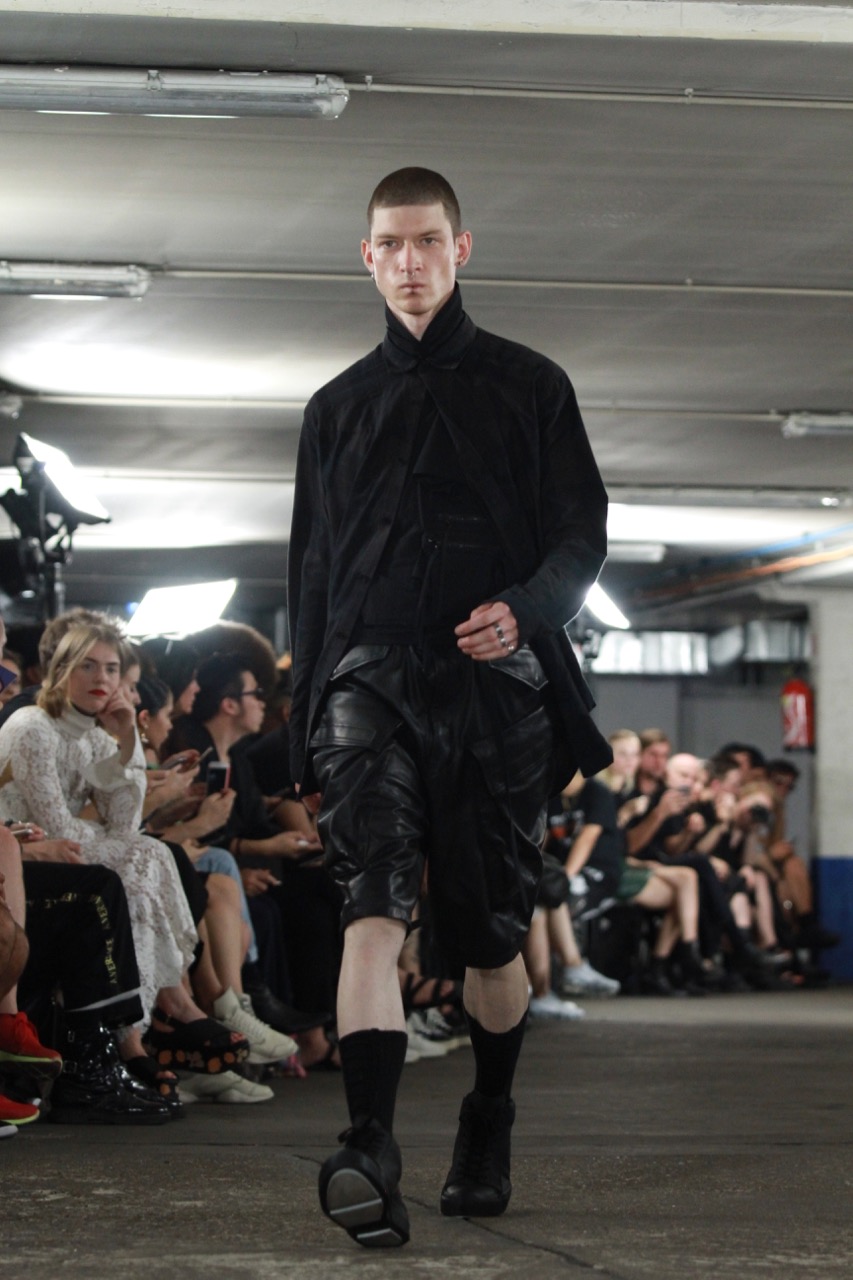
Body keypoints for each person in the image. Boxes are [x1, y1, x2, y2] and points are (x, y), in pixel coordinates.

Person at [287, 166, 611, 1248]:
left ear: (460, 249)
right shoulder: (335, 408)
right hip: (365, 684)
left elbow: (580, 536)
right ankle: (368, 1146)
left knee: (485, 935)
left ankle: (487, 1115)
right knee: (370, 906)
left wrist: (523, 612)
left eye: (428, 240)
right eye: (391, 243)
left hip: (494, 690)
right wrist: (305, 717)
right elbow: (312, 574)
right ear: (367, 257)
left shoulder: (531, 385)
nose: (410, 261)